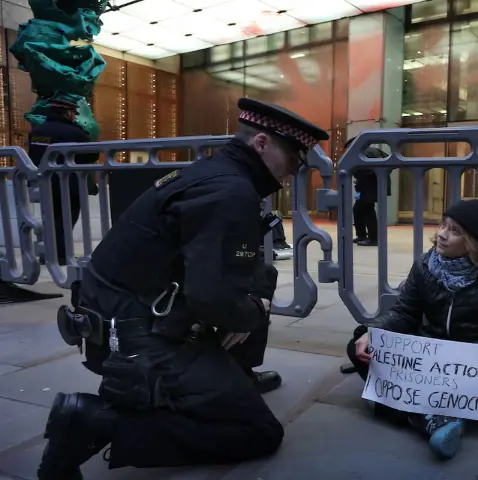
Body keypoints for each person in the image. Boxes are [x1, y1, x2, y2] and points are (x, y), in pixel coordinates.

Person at [39, 99, 329, 478]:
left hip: (117, 318)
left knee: (260, 277)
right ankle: (94, 422)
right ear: (261, 143)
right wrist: (251, 311)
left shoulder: (212, 174)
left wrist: (248, 300)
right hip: (132, 341)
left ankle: (230, 377)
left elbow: (226, 269)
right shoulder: (230, 193)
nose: (293, 171)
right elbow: (210, 297)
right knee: (258, 432)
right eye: (293, 159)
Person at [346, 199, 478, 459]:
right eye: (443, 225)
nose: (442, 235)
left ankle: (395, 406)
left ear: (475, 241)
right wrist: (373, 331)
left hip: (471, 363)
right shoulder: (425, 265)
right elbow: (404, 313)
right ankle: (437, 418)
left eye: (455, 231)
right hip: (427, 360)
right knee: (358, 346)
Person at [28, 99, 99, 266]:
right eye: (73, 113)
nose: (74, 116)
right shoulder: (74, 132)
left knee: (50, 219)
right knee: (66, 220)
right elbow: (92, 154)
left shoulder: (39, 130)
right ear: (67, 113)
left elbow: (35, 154)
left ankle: (48, 254)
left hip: (45, 182)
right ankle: (61, 255)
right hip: (70, 183)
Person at [345, 137, 390, 246]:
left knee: (368, 211)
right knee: (358, 209)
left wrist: (365, 175)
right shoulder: (374, 151)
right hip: (373, 185)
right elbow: (389, 162)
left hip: (369, 186)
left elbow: (361, 169)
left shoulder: (363, 152)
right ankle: (362, 235)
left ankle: (373, 238)